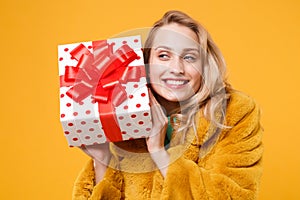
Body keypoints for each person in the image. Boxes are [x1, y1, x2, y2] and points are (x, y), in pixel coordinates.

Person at [72, 10, 263, 200]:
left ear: (205, 66)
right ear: (146, 64)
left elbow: (233, 196)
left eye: (189, 57)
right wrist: (102, 160)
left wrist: (159, 152)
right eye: (163, 56)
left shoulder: (235, 112)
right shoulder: (126, 115)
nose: (176, 69)